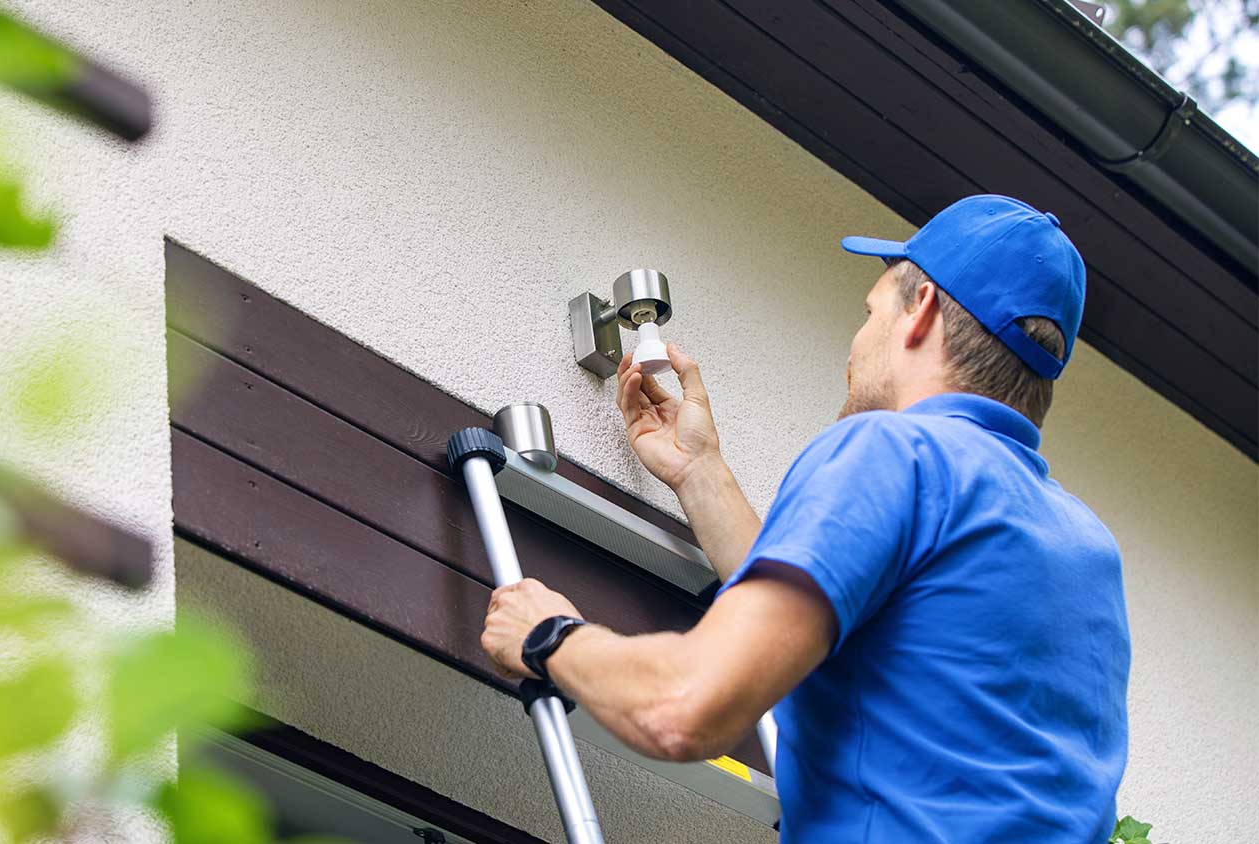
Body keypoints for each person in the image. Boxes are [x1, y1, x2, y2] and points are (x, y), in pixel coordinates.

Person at [480, 195, 1131, 841]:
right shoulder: (1083, 546)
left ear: (921, 310)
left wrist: (549, 636)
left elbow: (683, 709)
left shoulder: (895, 451)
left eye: (869, 312)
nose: (855, 343)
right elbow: (821, 627)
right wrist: (700, 471)